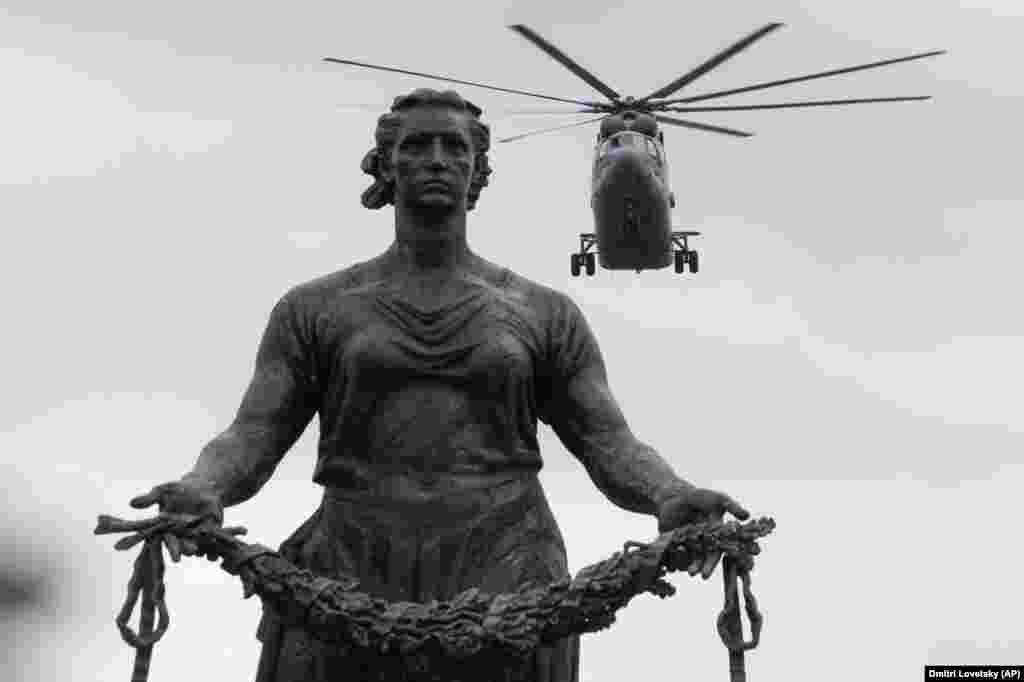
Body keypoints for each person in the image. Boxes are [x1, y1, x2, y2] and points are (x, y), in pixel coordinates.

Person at [129, 88, 749, 682]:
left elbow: (609, 442)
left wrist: (670, 493)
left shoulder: (542, 313)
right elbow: (254, 433)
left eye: (455, 148)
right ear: (386, 166)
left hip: (507, 564)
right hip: (348, 564)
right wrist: (200, 486)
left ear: (478, 171)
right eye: (417, 146)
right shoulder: (316, 307)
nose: (436, 160)